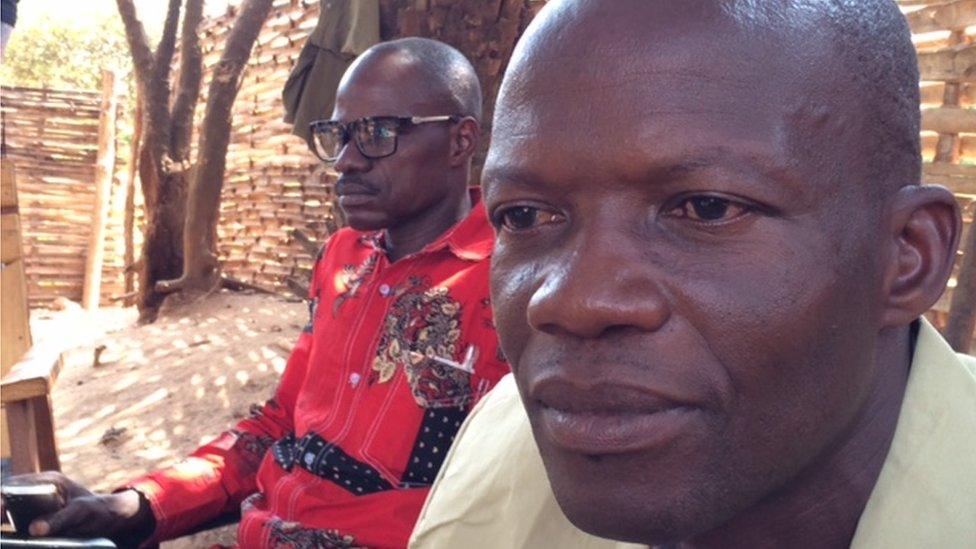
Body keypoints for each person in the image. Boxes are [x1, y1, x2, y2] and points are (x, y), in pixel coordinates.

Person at [411, 1, 975, 548]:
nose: (573, 302)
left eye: (706, 208)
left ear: (908, 256)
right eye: (525, 216)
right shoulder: (500, 447)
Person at [4, 37, 509, 548]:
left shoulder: (510, 283)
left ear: (459, 141)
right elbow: (281, 424)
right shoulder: (345, 259)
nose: (345, 161)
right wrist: (139, 505)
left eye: (377, 133)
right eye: (337, 134)